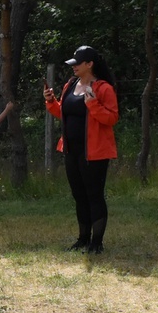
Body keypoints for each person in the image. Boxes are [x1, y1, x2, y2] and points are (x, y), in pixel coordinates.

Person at [44, 45, 118, 254]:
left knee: (94, 195)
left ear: (90, 64)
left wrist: (93, 104)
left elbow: (112, 118)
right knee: (79, 195)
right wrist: (51, 102)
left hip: (94, 152)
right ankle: (83, 239)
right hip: (71, 150)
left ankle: (97, 243)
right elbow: (64, 112)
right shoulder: (71, 84)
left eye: (78, 63)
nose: (74, 67)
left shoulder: (103, 88)